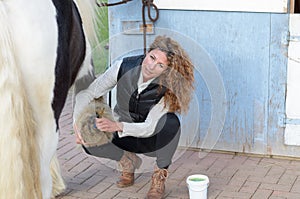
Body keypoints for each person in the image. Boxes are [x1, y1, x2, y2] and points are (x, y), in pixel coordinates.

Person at [73, 35, 194, 199]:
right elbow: (88, 93)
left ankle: (159, 177)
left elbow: (149, 127)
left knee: (171, 123)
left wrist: (117, 126)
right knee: (89, 135)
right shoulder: (123, 66)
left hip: (150, 140)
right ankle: (127, 161)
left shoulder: (169, 88)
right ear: (147, 52)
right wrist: (77, 124)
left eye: (160, 65)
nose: (151, 67)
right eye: (151, 58)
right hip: (123, 135)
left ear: (167, 70)